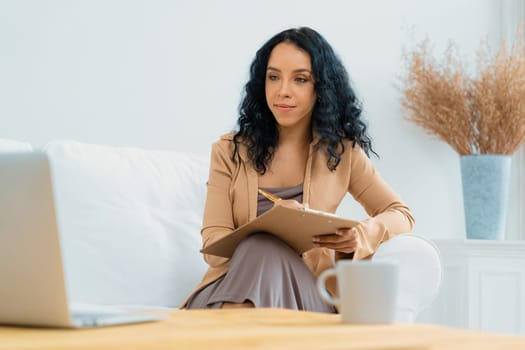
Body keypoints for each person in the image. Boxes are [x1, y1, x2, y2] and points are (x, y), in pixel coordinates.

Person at [183, 27, 414, 312]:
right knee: (260, 247)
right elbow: (214, 247)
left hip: (304, 292)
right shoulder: (229, 151)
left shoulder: (342, 153)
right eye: (273, 77)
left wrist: (360, 235)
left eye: (300, 79)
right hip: (232, 281)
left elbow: (401, 215)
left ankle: (232, 333)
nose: (283, 91)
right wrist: (267, 234)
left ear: (321, 88)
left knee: (262, 250)